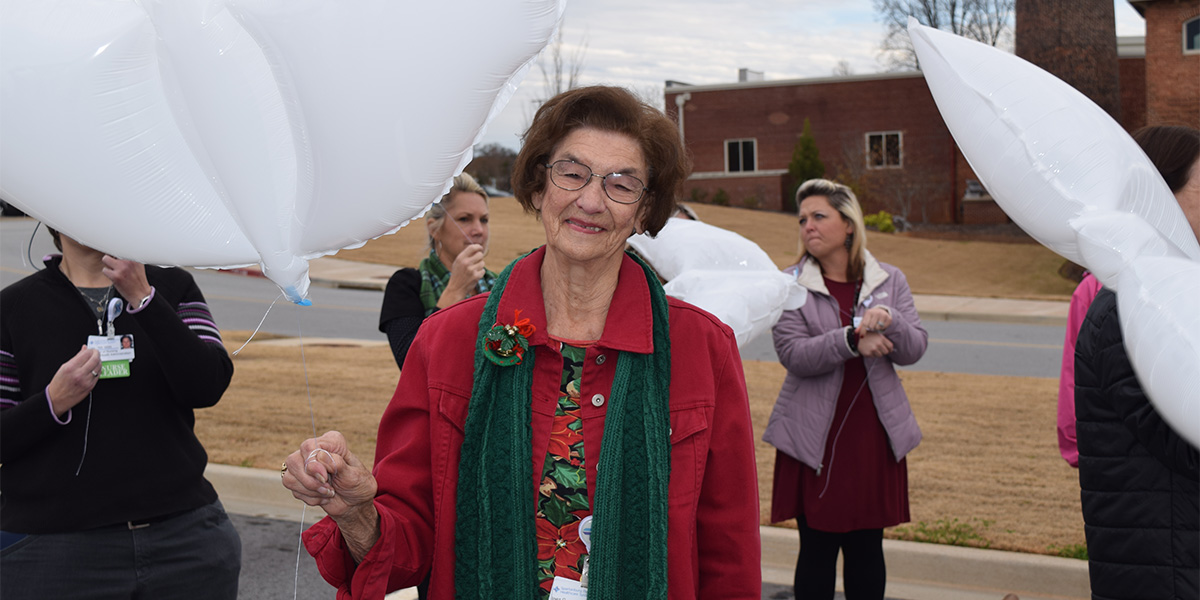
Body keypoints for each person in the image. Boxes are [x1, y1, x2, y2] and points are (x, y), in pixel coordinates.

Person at [282, 86, 762, 600]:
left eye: (622, 184)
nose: (591, 200)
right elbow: (408, 546)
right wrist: (356, 512)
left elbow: (728, 554)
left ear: (645, 212)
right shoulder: (447, 342)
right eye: (571, 173)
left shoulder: (703, 348)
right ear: (537, 188)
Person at [0, 229, 241, 598]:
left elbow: (207, 386)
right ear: (49, 214)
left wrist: (144, 300)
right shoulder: (12, 307)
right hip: (54, 552)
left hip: (186, 542)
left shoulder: (173, 287)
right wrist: (52, 402)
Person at [763, 179, 927, 600]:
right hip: (813, 438)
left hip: (872, 438)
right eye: (802, 219)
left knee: (867, 548)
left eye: (819, 216)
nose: (808, 227)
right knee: (816, 548)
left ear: (849, 225)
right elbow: (794, 353)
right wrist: (853, 339)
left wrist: (890, 317)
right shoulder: (790, 284)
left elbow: (914, 349)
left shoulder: (889, 279)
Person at [1075, 124, 1200, 599]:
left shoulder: (1171, 294)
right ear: (1160, 197)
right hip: (1164, 566)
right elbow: (1185, 440)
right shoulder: (1133, 309)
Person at [379, 172, 496, 369]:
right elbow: (410, 362)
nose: (479, 230)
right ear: (434, 228)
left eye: (484, 220)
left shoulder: (501, 285)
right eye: (465, 219)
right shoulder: (407, 285)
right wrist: (456, 290)